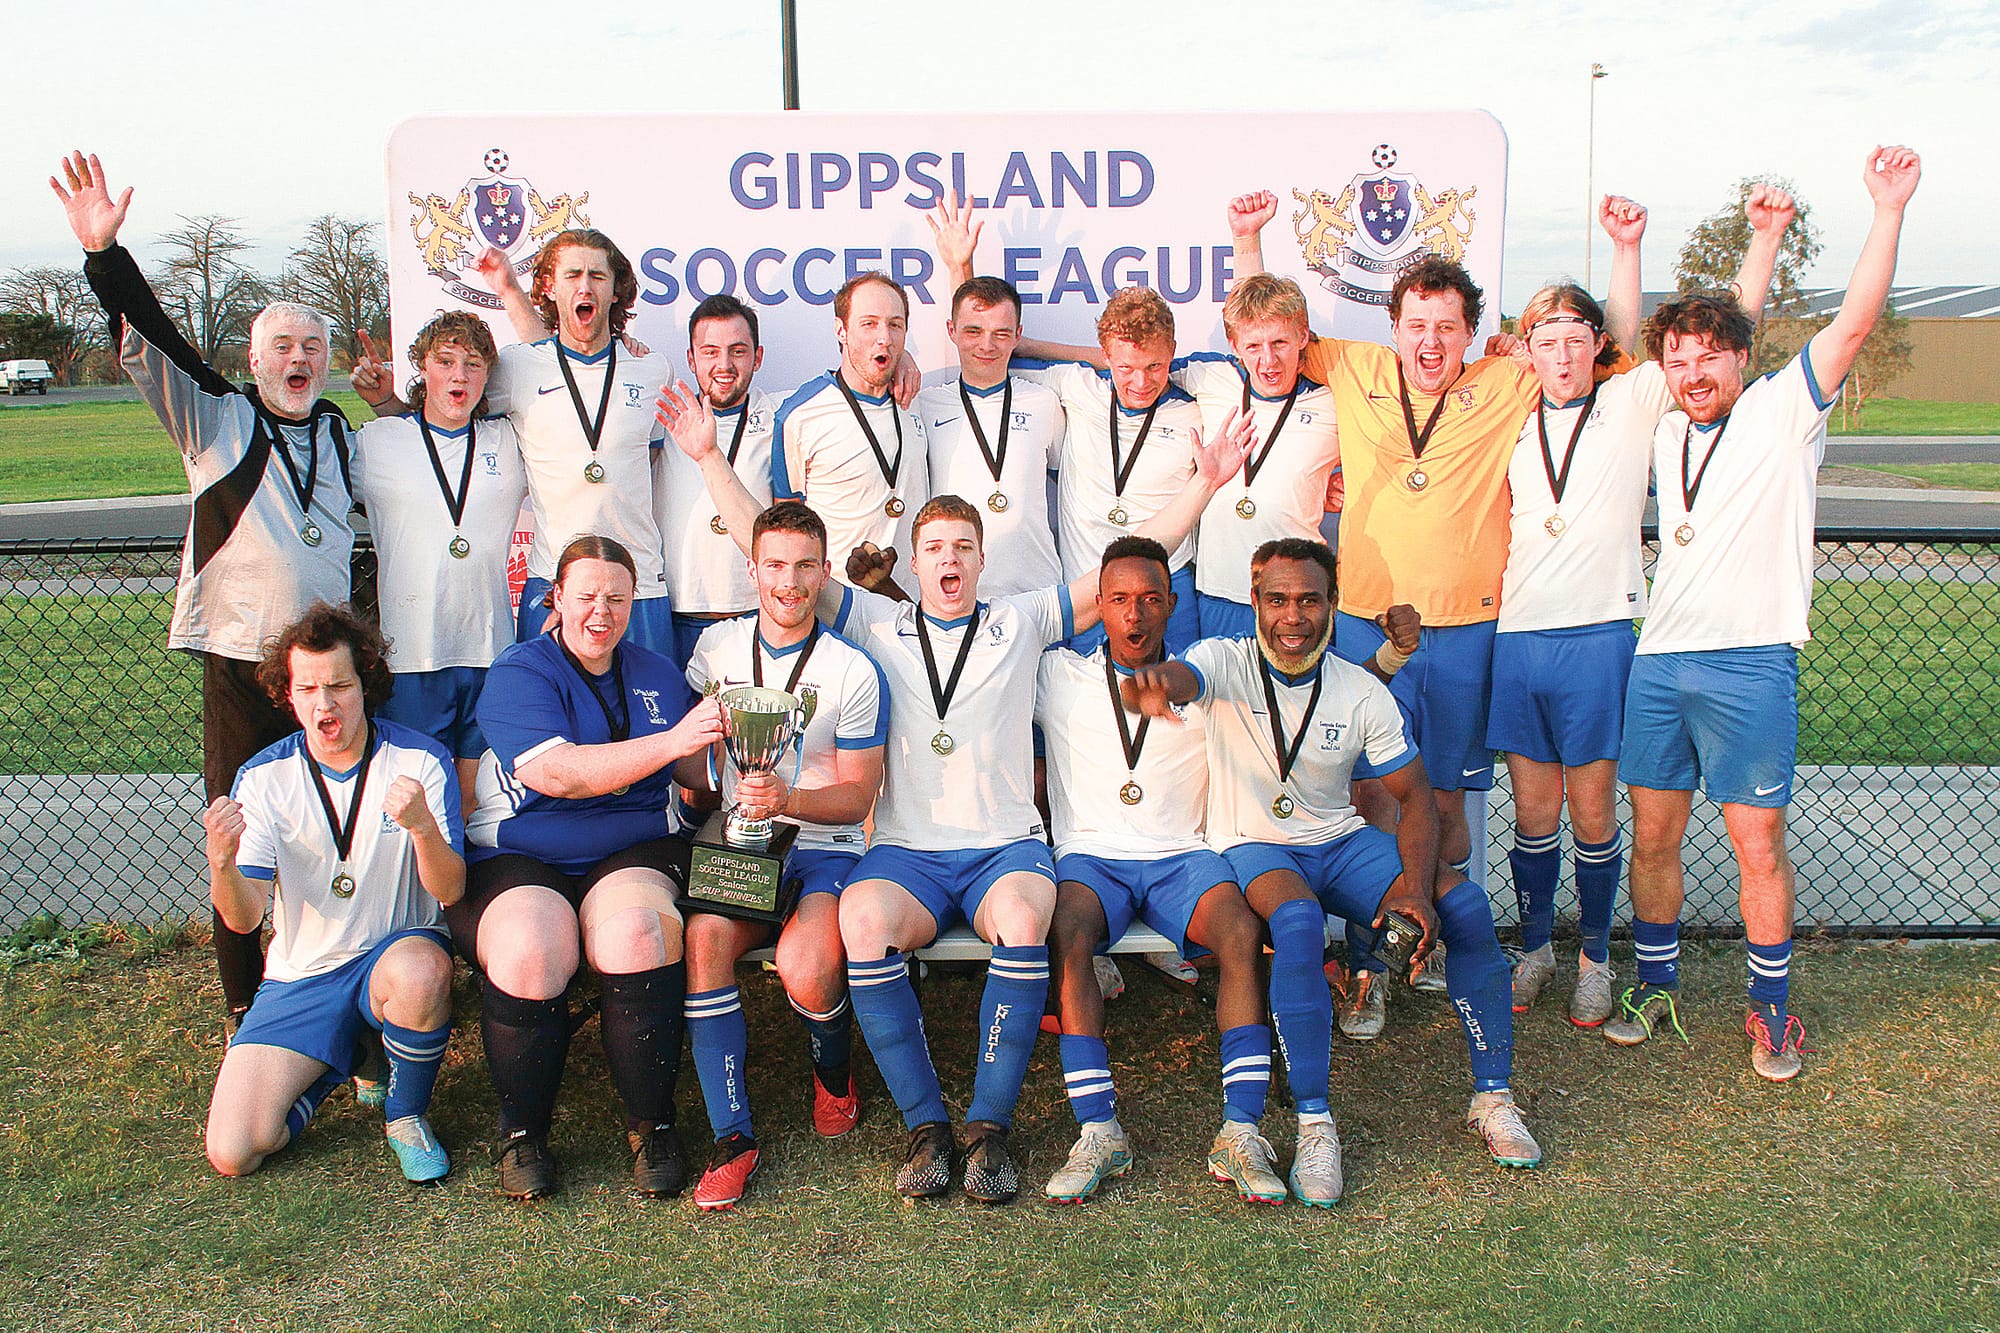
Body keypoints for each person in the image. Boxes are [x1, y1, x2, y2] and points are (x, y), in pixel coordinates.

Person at [660, 380, 1250, 1203]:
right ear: (914, 559)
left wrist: (1205, 483)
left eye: (961, 548)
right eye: (932, 546)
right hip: (906, 850)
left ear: (980, 559)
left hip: (1004, 844)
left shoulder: (1023, 619)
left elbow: (1126, 564)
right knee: (862, 923)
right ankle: (926, 1126)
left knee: (1021, 917)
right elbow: (778, 545)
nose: (947, 559)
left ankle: (987, 1129)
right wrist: (707, 457)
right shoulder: (872, 620)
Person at [1224, 191, 1604, 1033]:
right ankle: (1370, 963)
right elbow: (1261, 324)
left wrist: (1527, 337)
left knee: (1447, 806)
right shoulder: (1356, 369)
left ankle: (1420, 944)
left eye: (1448, 326)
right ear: (1393, 327)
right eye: (1416, 325)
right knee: (1369, 802)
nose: (1430, 342)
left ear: (1471, 332)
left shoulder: (1507, 378)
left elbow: (1594, 356)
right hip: (1363, 625)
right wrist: (1246, 240)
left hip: (1465, 632)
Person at [1605, 146, 1922, 1082]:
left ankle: (1771, 1009)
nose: (1693, 369)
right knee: (1654, 834)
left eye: (1711, 355)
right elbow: (1631, 341)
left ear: (1744, 357)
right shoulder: (1665, 424)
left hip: (1750, 663)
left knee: (1756, 842)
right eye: (1681, 357)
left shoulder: (1787, 409)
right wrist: (1752, 242)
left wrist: (1887, 210)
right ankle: (1654, 983)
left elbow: (1856, 324)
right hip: (1660, 660)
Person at [1124, 539, 1541, 1194]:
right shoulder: (1224, 660)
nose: (1294, 617)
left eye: (1309, 600)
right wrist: (1157, 683)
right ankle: (1316, 1125)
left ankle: (1493, 1096)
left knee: (1465, 905)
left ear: (1333, 606)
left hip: (1338, 838)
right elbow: (1186, 680)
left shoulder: (1359, 689)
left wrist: (1416, 885)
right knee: (1297, 919)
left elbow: (1415, 797)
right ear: (1256, 602)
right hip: (1255, 843)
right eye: (1279, 600)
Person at [53, 152, 358, 1032]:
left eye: (312, 348)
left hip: (328, 674)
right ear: (253, 360)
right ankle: (242, 1005)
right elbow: (158, 338)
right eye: (281, 348)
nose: (298, 359)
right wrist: (107, 260)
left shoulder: (339, 434)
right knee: (239, 832)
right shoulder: (215, 419)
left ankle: (328, 984)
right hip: (240, 666)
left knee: (332, 826)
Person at [1491, 192, 1791, 1025]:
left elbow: (1731, 325)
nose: (1561, 356)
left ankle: (1594, 957)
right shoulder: (1507, 411)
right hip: (1517, 635)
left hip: (1598, 635)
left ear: (1599, 347)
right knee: (1533, 814)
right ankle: (1536, 950)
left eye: (1576, 341)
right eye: (1545, 342)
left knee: (1593, 812)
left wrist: (1638, 246)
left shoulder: (1632, 401)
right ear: (1527, 350)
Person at [456, 535, 727, 1199]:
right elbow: (559, 773)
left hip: (631, 846)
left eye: (616, 596)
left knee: (635, 931)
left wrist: (736, 758)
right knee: (528, 947)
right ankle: (522, 1132)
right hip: (525, 850)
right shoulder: (520, 670)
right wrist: (671, 741)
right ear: (557, 600)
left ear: (635, 602)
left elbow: (690, 768)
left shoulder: (658, 670)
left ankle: (652, 1124)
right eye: (586, 596)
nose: (600, 610)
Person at [1033, 536, 1275, 1203]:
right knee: (1069, 930)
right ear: (1097, 607)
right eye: (1118, 600)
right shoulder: (1060, 673)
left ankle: (1242, 1129)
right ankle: (1099, 1129)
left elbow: (1211, 678)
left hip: (1182, 856)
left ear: (1172, 603)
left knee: (1239, 931)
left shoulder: (1202, 676)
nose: (1134, 615)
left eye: (1149, 599)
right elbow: (963, 656)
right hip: (1092, 855)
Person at [201, 604, 463, 1184]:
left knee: (422, 971)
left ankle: (406, 1115)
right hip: (303, 975)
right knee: (234, 1151)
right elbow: (244, 920)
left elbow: (451, 889)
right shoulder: (263, 778)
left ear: (365, 685)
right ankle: (345, 1059)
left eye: (340, 685)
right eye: (309, 689)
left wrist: (422, 826)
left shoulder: (420, 760)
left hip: (392, 959)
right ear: (287, 696)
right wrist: (222, 863)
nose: (326, 704)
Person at [679, 501, 889, 1210]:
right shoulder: (714, 652)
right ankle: (732, 1135)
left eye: (804, 566)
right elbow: (685, 759)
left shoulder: (852, 668)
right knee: (704, 937)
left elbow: (859, 796)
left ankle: (834, 1071)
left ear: (825, 572)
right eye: (775, 565)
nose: (789, 581)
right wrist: (716, 785)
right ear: (753, 569)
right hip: (739, 844)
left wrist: (787, 798)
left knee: (806, 966)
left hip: (823, 849)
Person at [353, 231, 682, 656]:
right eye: (572, 275)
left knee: (648, 719)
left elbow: (655, 461)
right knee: (546, 718)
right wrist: (387, 402)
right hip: (553, 586)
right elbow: (441, 424)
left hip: (638, 582)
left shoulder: (651, 369)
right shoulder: (516, 368)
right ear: (548, 285)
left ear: (616, 289)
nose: (585, 286)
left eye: (598, 276)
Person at [930, 197, 1207, 653]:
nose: (1140, 381)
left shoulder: (1197, 406)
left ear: (1172, 353)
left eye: (1155, 366)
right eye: (1124, 366)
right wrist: (960, 267)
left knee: (1174, 711)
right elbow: (983, 349)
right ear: (1105, 356)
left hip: (1166, 589)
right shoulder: (1076, 387)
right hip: (1085, 594)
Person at [348, 313, 528, 814]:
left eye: (473, 364)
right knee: (415, 800)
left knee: (477, 801)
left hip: (489, 649)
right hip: (411, 656)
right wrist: (385, 402)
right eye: (445, 362)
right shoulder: (377, 441)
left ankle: (474, 894)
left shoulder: (509, 442)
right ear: (422, 368)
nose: (459, 376)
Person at [772, 273, 931, 590]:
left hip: (913, 606)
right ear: (841, 330)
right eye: (869, 324)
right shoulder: (800, 414)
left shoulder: (919, 401)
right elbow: (787, 526)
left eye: (894, 325)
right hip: (840, 608)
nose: (883, 337)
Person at [917, 275, 1065, 599]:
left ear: (1018, 336)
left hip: (1037, 595)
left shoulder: (1044, 402)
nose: (987, 345)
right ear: (951, 331)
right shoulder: (923, 405)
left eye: (1001, 333)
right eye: (973, 331)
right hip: (954, 597)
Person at [657, 295, 778, 666]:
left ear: (757, 357)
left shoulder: (784, 415)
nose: (723, 365)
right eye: (710, 352)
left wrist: (902, 360)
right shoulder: (662, 416)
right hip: (674, 615)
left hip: (753, 615)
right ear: (691, 359)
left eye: (737, 351)